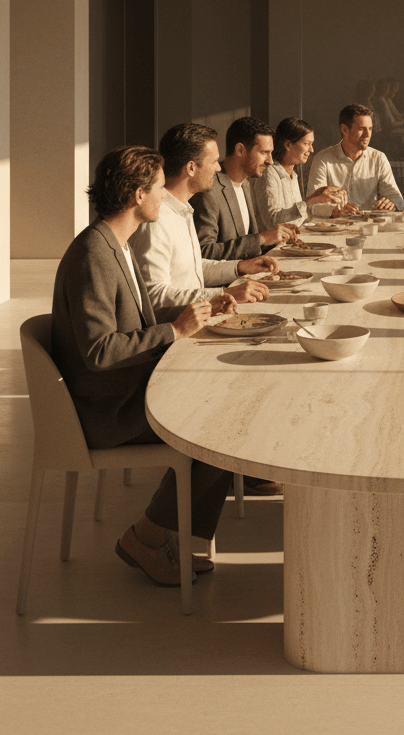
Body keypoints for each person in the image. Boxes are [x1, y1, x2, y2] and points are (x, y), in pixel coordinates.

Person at [51, 145, 236, 587]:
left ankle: (168, 534)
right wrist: (175, 330)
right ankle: (146, 537)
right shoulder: (94, 254)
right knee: (223, 428)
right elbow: (99, 352)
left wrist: (198, 316)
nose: (164, 196)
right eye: (157, 188)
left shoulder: (116, 244)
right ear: (137, 195)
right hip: (106, 410)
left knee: (222, 408)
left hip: (124, 389)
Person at [130, 123, 279, 309]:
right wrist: (224, 294)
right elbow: (154, 295)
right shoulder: (156, 220)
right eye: (214, 161)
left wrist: (240, 267)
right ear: (191, 168)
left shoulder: (182, 209)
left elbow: (192, 269)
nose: (218, 168)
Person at [191, 115, 299, 260]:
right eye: (264, 152)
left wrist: (276, 237)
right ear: (240, 150)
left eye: (271, 153)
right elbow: (204, 252)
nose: (271, 161)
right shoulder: (208, 190)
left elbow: (247, 245)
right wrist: (261, 239)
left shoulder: (246, 183)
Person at [251, 117, 349, 229]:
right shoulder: (269, 173)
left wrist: (332, 211)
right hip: (272, 246)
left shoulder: (293, 175)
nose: (311, 150)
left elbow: (299, 216)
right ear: (288, 145)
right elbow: (272, 221)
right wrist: (310, 201)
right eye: (306, 143)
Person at [307, 103, 404, 211]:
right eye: (362, 129)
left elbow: (396, 198)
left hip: (369, 225)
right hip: (334, 226)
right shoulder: (323, 159)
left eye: (370, 129)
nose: (367, 135)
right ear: (344, 130)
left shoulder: (379, 158)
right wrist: (335, 210)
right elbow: (312, 203)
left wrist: (392, 202)